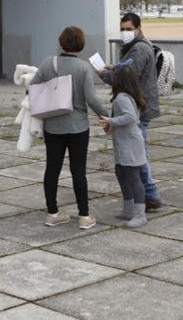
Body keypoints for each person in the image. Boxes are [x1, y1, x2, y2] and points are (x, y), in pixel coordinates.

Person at [32, 26, 109, 231]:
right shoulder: (84, 68)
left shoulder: (48, 63)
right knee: (78, 171)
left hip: (53, 126)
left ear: (61, 42)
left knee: (52, 169)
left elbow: (32, 88)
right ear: (81, 44)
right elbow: (91, 99)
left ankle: (52, 213)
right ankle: (84, 216)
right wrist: (107, 117)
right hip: (78, 127)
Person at [98, 12, 164, 211]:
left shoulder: (139, 49)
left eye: (129, 29)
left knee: (138, 156)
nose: (125, 32)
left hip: (138, 108)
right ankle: (148, 195)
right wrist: (114, 67)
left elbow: (128, 78)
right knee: (140, 153)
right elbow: (127, 68)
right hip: (138, 106)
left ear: (138, 29)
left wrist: (103, 74)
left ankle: (150, 195)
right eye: (122, 29)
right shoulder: (134, 47)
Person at [101, 65, 147, 229]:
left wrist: (110, 121)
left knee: (134, 178)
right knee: (121, 173)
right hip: (125, 143)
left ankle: (140, 215)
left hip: (130, 144)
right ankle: (129, 210)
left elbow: (130, 117)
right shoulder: (127, 96)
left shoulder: (122, 98)